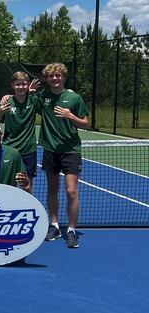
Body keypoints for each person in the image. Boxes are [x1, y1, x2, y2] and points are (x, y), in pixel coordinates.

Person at [37, 63, 89, 249]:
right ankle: (55, 225)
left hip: (71, 150)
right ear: (47, 79)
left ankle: (72, 230)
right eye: (51, 76)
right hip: (50, 150)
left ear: (63, 77)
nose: (54, 79)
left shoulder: (74, 98)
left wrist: (70, 116)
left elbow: (85, 123)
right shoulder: (42, 96)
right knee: (52, 189)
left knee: (71, 191)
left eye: (58, 76)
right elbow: (23, 100)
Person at [0, 71, 40, 194]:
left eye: (24, 84)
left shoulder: (34, 100)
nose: (21, 87)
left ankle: (28, 211)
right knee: (8, 186)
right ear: (12, 85)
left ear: (28, 85)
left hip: (28, 150)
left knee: (27, 187)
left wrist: (68, 91)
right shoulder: (7, 102)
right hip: (9, 150)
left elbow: (51, 97)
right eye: (17, 84)